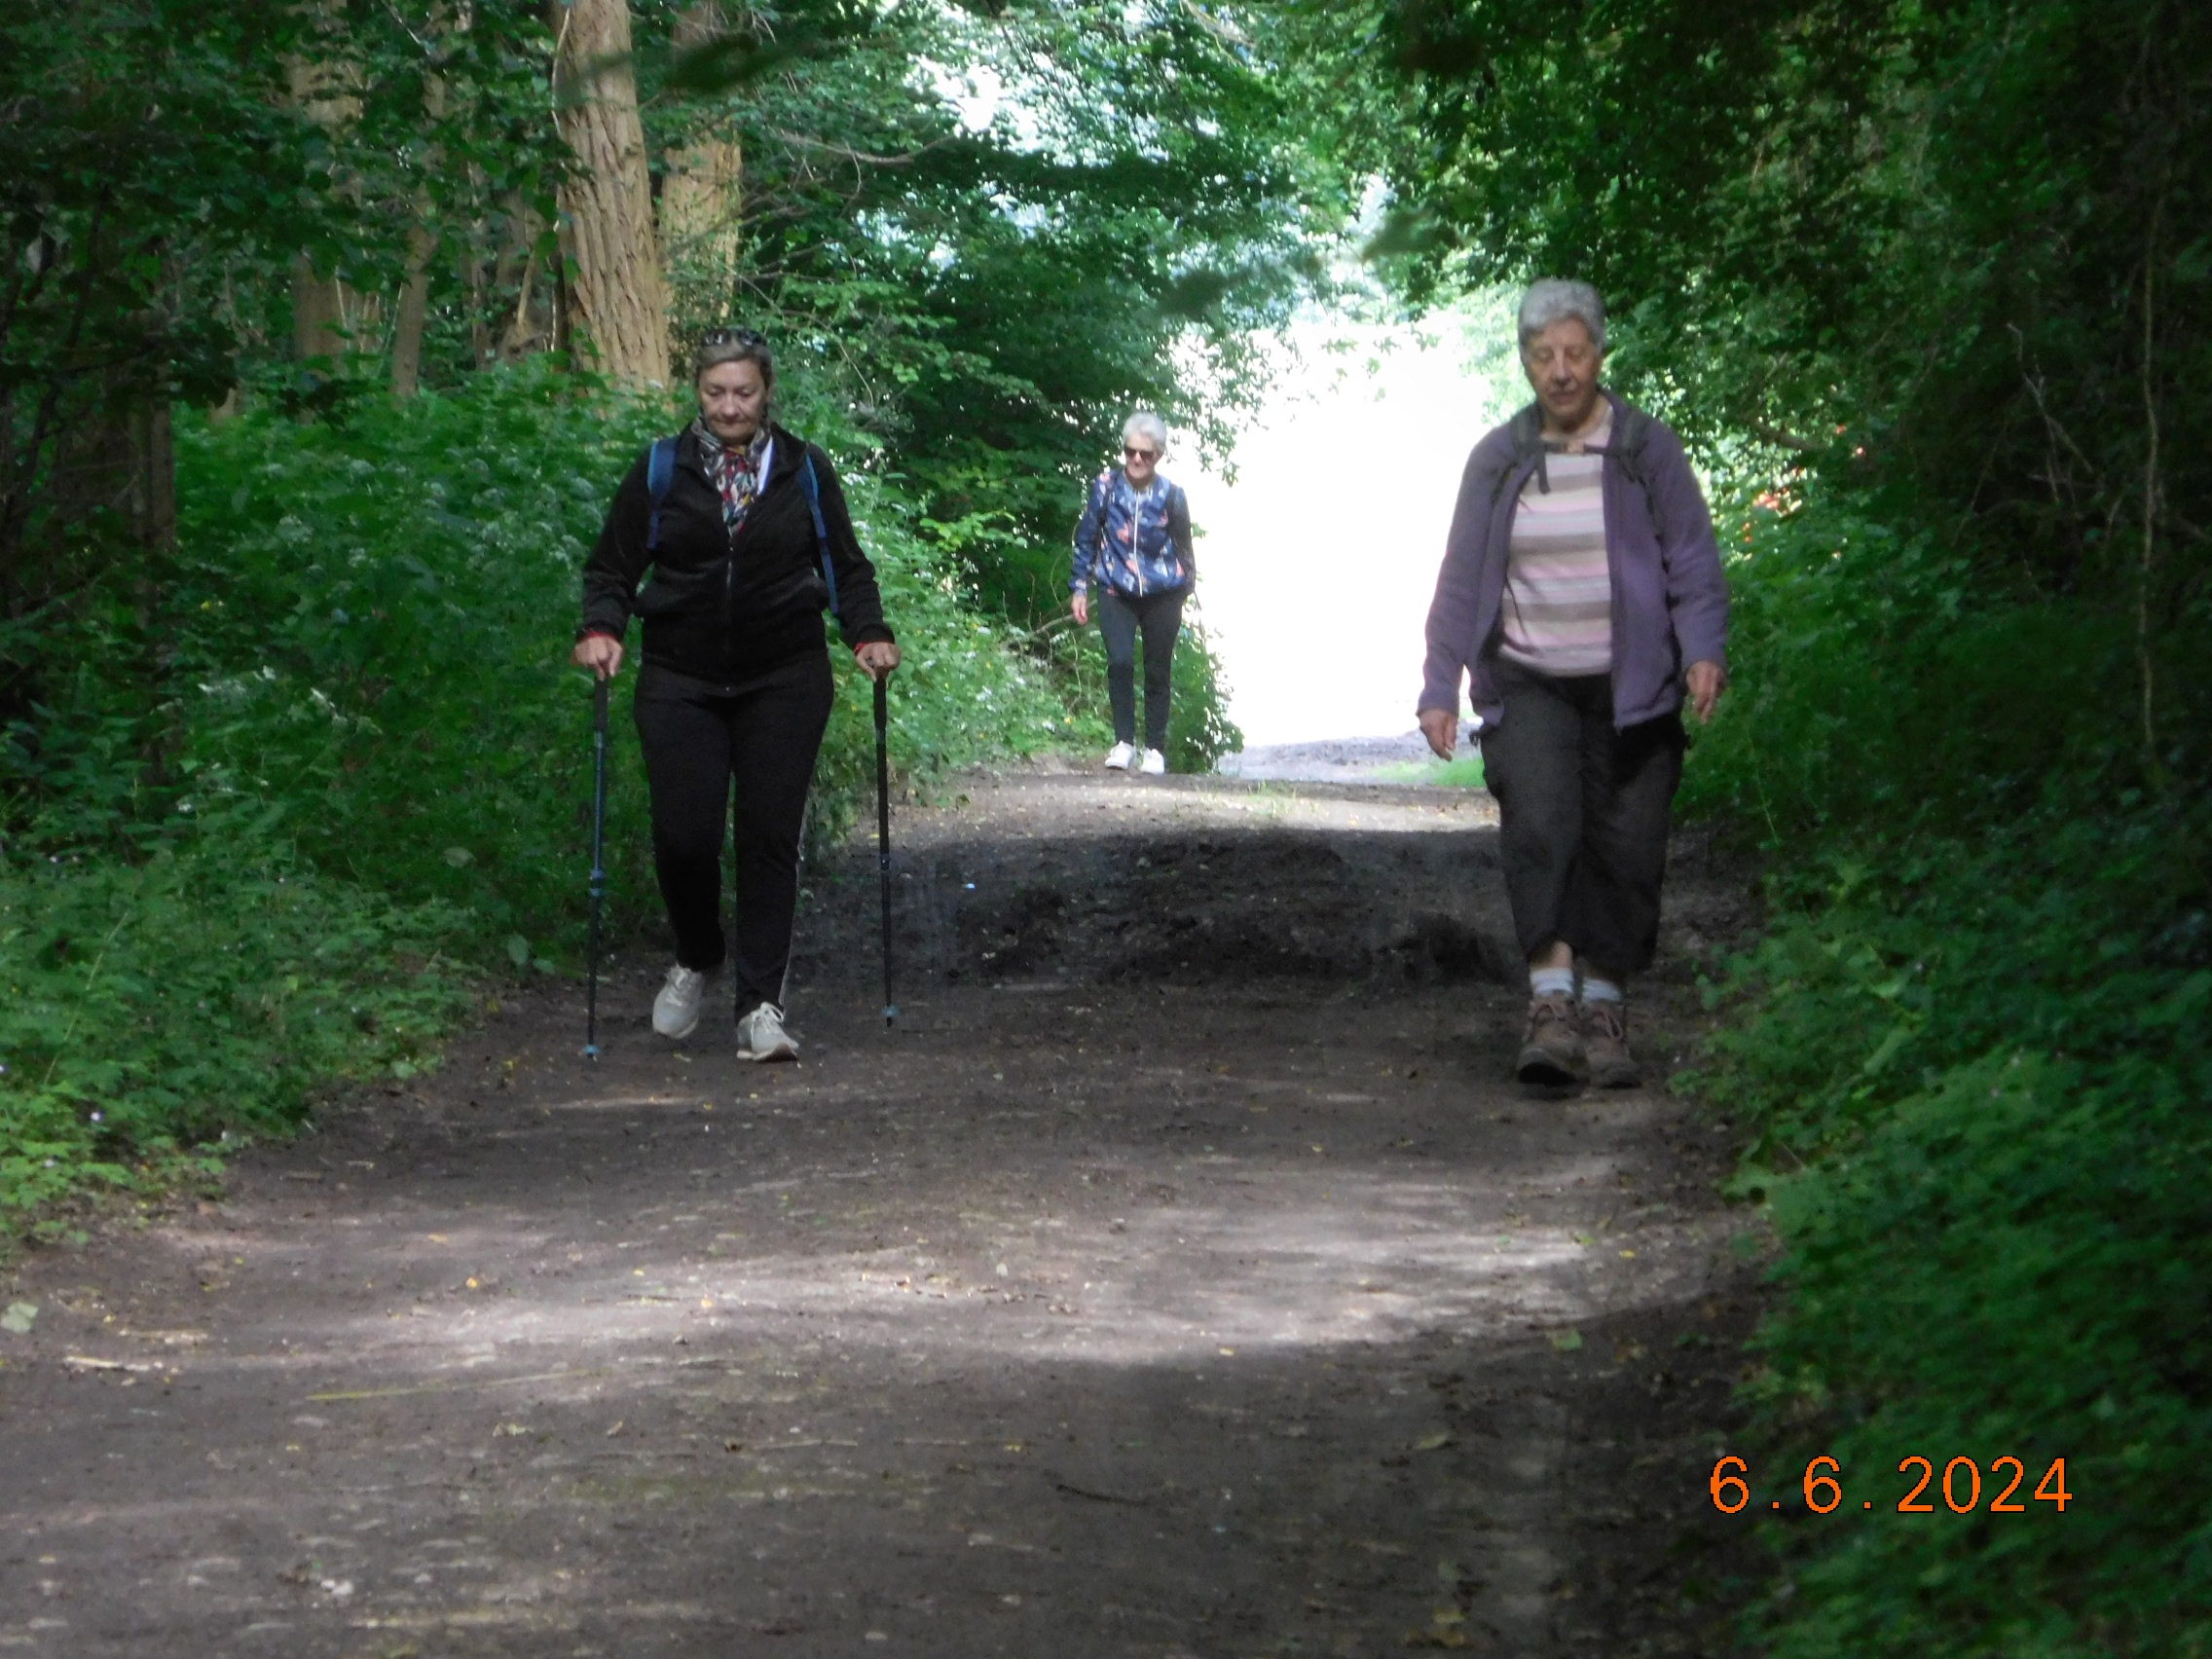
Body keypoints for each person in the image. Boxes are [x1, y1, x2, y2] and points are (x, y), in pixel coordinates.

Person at [1417, 279, 1729, 1088]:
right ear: (1524, 360)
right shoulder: (1499, 457)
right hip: (1530, 682)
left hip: (1634, 690)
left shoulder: (1644, 449)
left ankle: (1607, 1010)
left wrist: (1703, 647)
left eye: (1574, 353)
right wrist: (1439, 684)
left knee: (1627, 848)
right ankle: (1551, 1009)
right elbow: (1459, 576)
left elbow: (1691, 556)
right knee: (1542, 827)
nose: (1559, 371)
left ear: (1599, 355)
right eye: (1542, 354)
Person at [572, 328, 900, 1061]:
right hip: (679, 677)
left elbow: (847, 568)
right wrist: (602, 627)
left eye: (743, 392)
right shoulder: (662, 467)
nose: (729, 407)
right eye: (716, 392)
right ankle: (697, 953)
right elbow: (612, 567)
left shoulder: (805, 470)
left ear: (766, 394)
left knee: (767, 840)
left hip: (783, 675)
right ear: (698, 392)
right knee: (683, 839)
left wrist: (868, 633)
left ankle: (760, 1008)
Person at [1070, 411, 1195, 775]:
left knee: (1158, 669)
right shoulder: (1106, 487)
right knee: (1120, 661)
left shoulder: (1173, 495)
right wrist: (1079, 587)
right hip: (1115, 587)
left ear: (1159, 455)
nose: (1137, 459)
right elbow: (1087, 539)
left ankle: (1155, 748)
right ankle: (1124, 742)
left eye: (1146, 453)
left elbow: (1185, 548)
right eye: (1130, 451)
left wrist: (1185, 589)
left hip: (1163, 593)